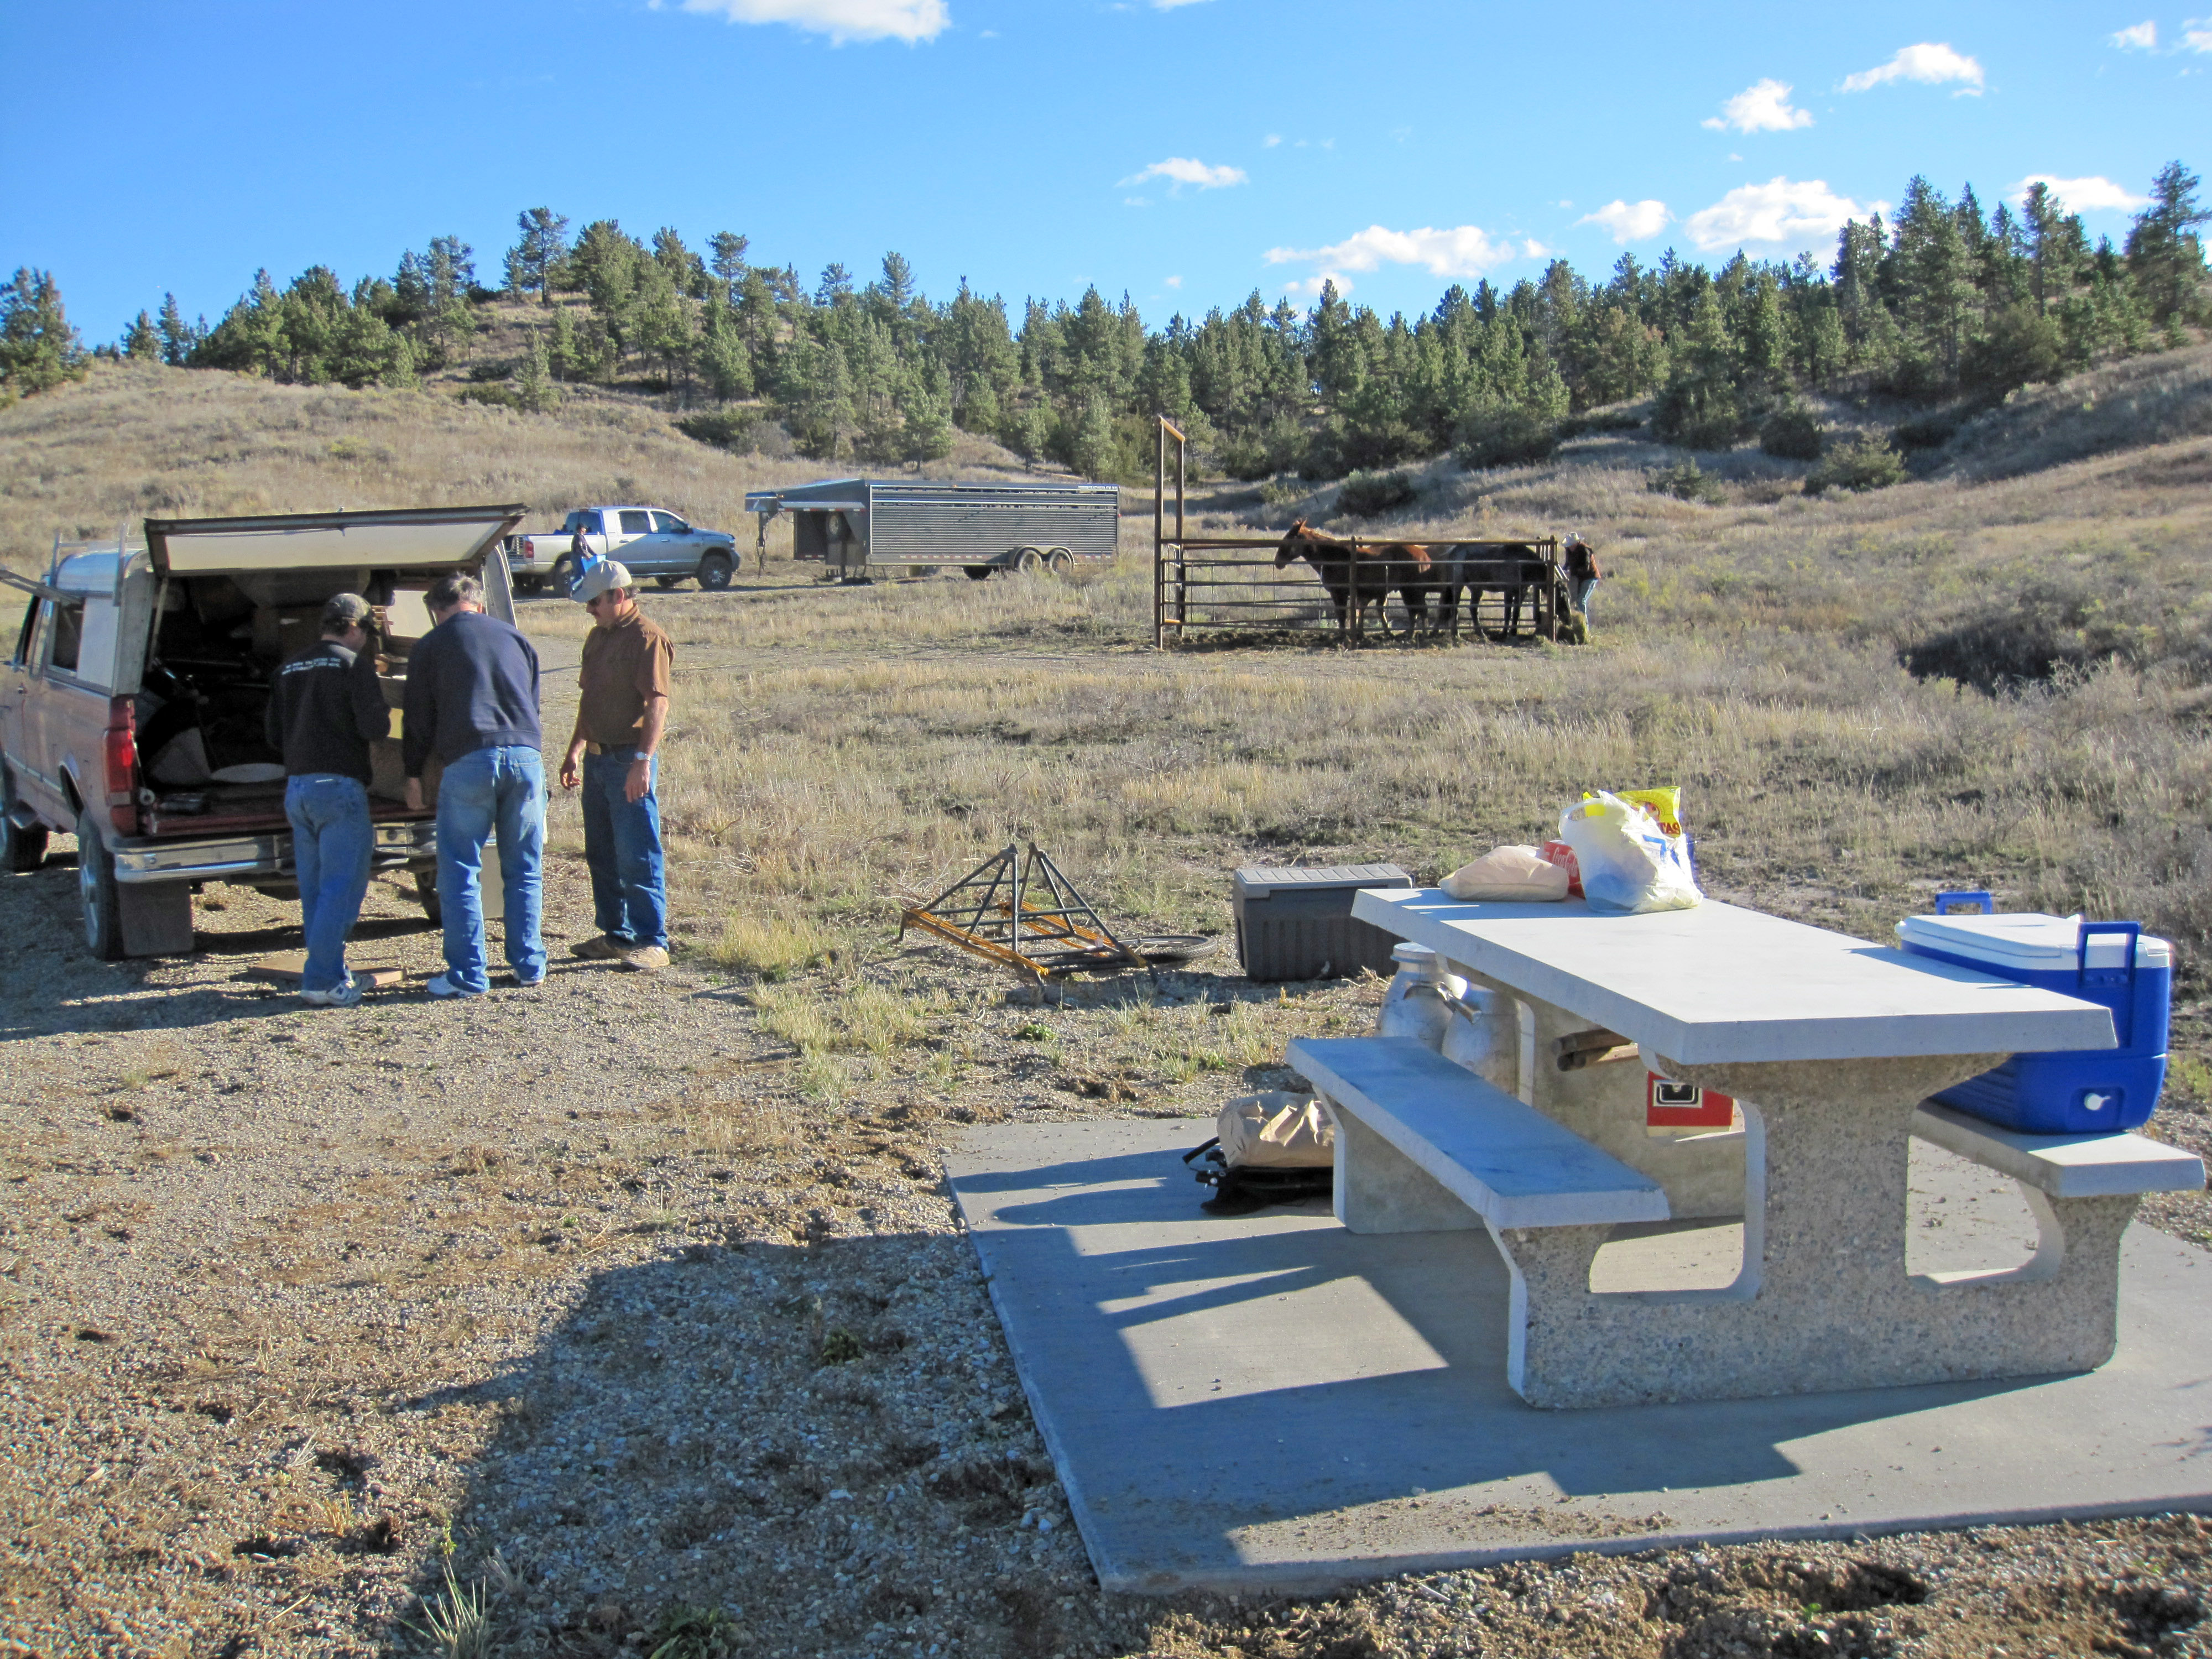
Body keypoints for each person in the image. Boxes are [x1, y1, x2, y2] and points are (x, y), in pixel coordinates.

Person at [401, 573, 547, 998]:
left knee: (461, 869)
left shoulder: (429, 647)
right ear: (478, 605)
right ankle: (530, 964)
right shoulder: (517, 639)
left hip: (470, 761)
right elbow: (533, 704)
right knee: (524, 867)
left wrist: (413, 775)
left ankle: (468, 975)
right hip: (526, 758)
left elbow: (418, 720)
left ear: (436, 611)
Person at [264, 592, 390, 1007]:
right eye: (366, 633)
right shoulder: (353, 666)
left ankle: (333, 973)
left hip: (297, 790)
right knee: (343, 888)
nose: (366, 641)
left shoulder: (288, 668)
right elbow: (375, 725)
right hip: (339, 791)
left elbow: (271, 736)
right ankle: (320, 981)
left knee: (316, 890)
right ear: (353, 627)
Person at [559, 561, 672, 972]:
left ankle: (652, 941)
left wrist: (642, 762)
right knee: (602, 851)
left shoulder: (647, 639)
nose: (589, 609)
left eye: (594, 601)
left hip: (628, 758)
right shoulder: (597, 637)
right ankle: (616, 934)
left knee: (637, 851)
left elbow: (657, 703)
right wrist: (575, 748)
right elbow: (588, 700)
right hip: (597, 757)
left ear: (619, 596)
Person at [1564, 534, 1601, 618]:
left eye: (1571, 545)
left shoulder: (1584, 550)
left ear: (1576, 543)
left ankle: (1583, 623)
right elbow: (1567, 564)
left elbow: (1586, 567)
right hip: (1579, 578)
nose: (1570, 547)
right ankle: (1577, 620)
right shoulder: (1569, 550)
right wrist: (1565, 570)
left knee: (1581, 600)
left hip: (1590, 577)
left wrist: (1572, 572)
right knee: (1575, 600)